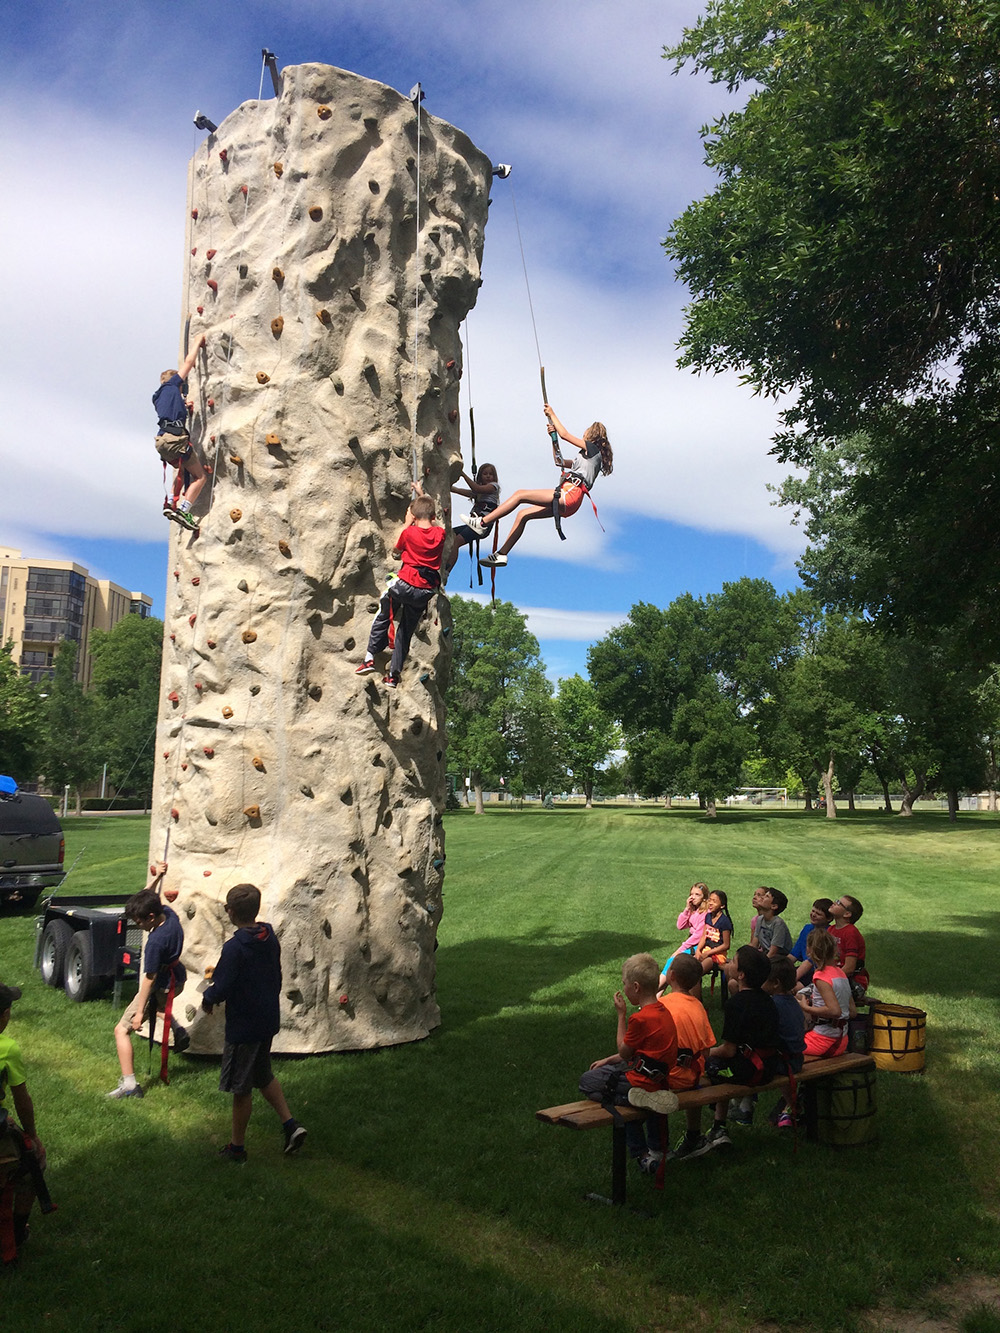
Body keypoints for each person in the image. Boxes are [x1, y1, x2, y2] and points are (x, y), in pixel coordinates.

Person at [202, 884, 306, 1162]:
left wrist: (208, 996)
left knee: (241, 1088)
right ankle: (291, 1126)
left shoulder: (235, 948)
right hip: (267, 1019)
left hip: (244, 1026)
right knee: (263, 1075)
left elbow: (222, 986)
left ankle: (236, 1149)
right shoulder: (269, 937)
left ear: (230, 911)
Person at [469, 405, 613, 567]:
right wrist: (553, 439)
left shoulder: (592, 449)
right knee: (523, 515)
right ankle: (502, 554)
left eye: (586, 432)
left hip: (570, 495)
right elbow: (558, 461)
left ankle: (482, 523)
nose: (583, 435)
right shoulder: (584, 460)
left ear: (591, 435)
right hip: (571, 500)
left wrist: (552, 414)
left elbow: (565, 434)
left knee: (520, 494)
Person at [578, 953, 679, 1176]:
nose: (623, 988)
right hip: (658, 1081)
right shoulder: (664, 1013)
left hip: (640, 1082)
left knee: (587, 1081)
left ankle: (640, 1147)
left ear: (635, 987)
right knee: (607, 1072)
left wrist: (622, 1015)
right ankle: (655, 1148)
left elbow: (625, 1050)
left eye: (624, 983)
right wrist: (607, 1060)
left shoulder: (639, 1019)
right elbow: (636, 1054)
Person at [107, 864, 188, 1100]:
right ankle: (178, 1028)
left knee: (121, 1030)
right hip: (177, 978)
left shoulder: (155, 943)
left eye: (139, 921)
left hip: (162, 983)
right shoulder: (170, 916)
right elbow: (148, 900)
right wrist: (156, 878)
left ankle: (130, 1085)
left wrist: (139, 1013)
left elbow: (148, 980)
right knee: (161, 1009)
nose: (137, 925)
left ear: (150, 917)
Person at [356, 483, 446, 687]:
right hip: (424, 592)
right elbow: (436, 521)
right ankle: (393, 677)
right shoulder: (439, 535)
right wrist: (423, 495)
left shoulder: (409, 533)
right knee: (405, 632)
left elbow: (397, 550)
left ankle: (370, 657)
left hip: (404, 585)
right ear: (431, 516)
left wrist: (407, 523)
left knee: (384, 612)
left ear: (413, 516)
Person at [702, 945, 782, 1148]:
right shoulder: (768, 1001)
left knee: (708, 1065)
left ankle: (718, 1127)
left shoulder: (736, 1004)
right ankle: (725, 1120)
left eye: (733, 962)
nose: (728, 963)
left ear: (741, 975)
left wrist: (705, 1053)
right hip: (770, 1066)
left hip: (751, 1070)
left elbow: (728, 1050)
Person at [0, 984, 46, 1265]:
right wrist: (31, 1135)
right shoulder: (7, 1048)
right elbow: (22, 1100)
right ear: (4, 1015)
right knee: (35, 1161)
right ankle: (16, 1233)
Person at [657, 953, 718, 1161]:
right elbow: (707, 1050)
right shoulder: (698, 1006)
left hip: (667, 1078)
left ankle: (655, 1147)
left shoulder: (662, 1006)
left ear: (671, 975)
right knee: (694, 1074)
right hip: (693, 1075)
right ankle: (694, 1136)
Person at [154, 334, 208, 531]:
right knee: (200, 477)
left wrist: (185, 407)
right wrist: (197, 342)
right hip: (175, 439)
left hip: (162, 441)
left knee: (182, 467)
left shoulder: (159, 396)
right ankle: (184, 509)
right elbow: (189, 361)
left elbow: (171, 410)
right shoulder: (173, 385)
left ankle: (170, 502)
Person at [763, 956, 807, 1129]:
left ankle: (744, 1106)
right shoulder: (794, 1003)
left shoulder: (773, 1005)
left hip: (784, 1062)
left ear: (775, 983)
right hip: (797, 1059)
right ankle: (793, 1107)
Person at [798, 929, 856, 1060]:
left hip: (823, 1041)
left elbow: (835, 1011)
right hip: (842, 1040)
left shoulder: (821, 976)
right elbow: (852, 1011)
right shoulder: (841, 973)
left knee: (786, 1045)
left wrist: (806, 1008)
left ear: (810, 950)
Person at [725, 885, 792, 997]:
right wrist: (740, 957)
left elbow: (773, 952)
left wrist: (754, 965)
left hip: (777, 962)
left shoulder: (778, 924)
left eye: (766, 897)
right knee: (732, 976)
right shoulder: (760, 920)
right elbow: (754, 944)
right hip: (765, 958)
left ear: (774, 906)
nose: (760, 898)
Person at [447, 463, 500, 573]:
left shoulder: (494, 487)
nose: (488, 476)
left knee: (456, 541)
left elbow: (476, 488)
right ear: (480, 476)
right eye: (485, 474)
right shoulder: (479, 493)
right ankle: (444, 564)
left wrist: (462, 474)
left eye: (491, 474)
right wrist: (448, 487)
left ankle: (447, 569)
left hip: (482, 525)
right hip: (474, 524)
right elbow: (461, 491)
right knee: (449, 535)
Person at [658, 883, 709, 986]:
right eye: (691, 894)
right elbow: (680, 925)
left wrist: (679, 950)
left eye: (697, 894)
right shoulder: (694, 910)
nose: (693, 897)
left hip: (699, 946)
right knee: (671, 964)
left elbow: (697, 937)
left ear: (704, 897)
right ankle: (656, 996)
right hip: (691, 945)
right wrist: (687, 909)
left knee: (673, 961)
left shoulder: (704, 913)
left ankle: (654, 991)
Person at [828, 894, 869, 1001]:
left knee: (813, 996)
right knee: (802, 994)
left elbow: (849, 968)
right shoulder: (831, 930)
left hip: (852, 982)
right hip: (833, 977)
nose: (834, 903)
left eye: (838, 903)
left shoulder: (850, 932)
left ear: (847, 914)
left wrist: (828, 979)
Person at [694, 889, 733, 975]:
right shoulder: (708, 916)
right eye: (709, 900)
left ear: (722, 905)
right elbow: (704, 936)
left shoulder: (724, 921)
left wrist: (708, 953)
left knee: (697, 973)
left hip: (718, 955)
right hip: (706, 950)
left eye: (714, 901)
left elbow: (726, 945)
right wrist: (698, 950)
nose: (710, 903)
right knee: (690, 966)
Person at [790, 898, 834, 963]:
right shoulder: (807, 929)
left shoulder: (829, 934)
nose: (813, 915)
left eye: (818, 914)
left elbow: (814, 962)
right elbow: (794, 955)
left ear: (829, 919)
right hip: (804, 968)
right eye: (813, 911)